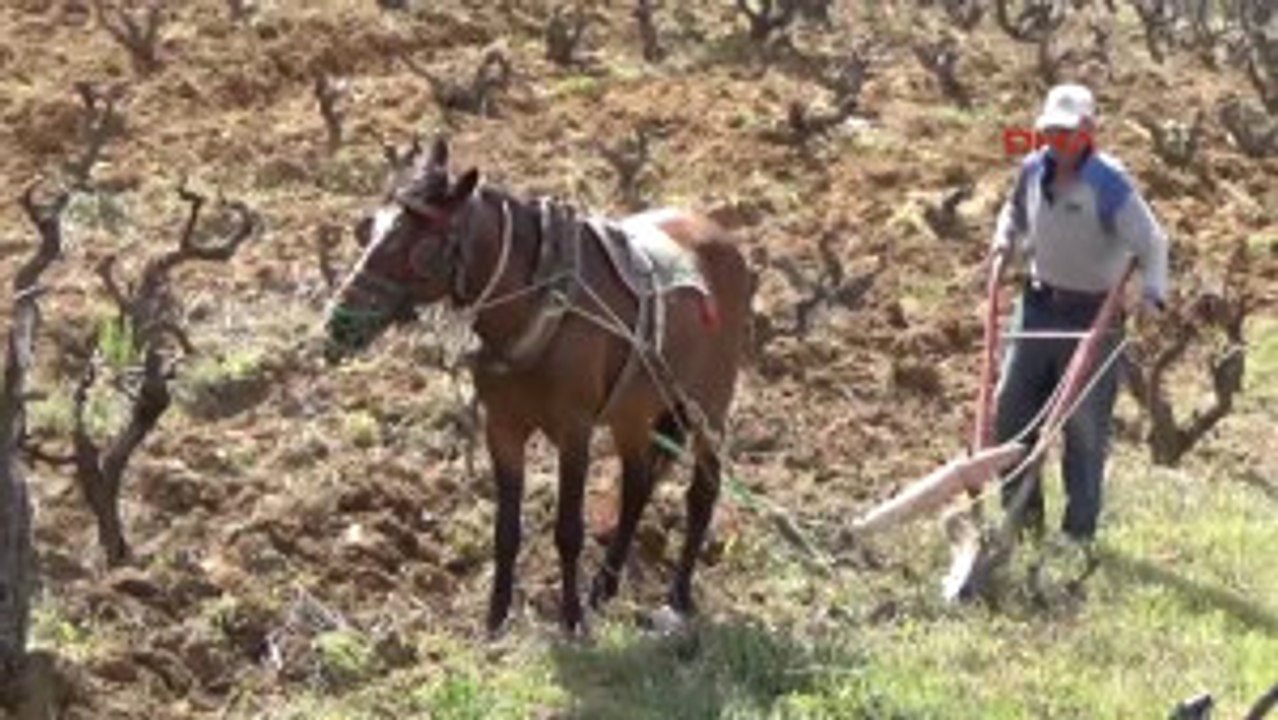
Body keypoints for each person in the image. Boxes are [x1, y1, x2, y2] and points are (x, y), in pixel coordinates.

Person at [985, 83, 1170, 571]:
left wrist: (1153, 291)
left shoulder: (1109, 183)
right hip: (1038, 306)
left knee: (1084, 430)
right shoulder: (1032, 168)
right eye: (1050, 132)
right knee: (1011, 412)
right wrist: (1004, 240)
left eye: (1067, 133)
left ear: (1088, 132)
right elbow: (1014, 211)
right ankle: (1020, 522)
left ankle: (1077, 535)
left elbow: (1152, 241)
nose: (1057, 142)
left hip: (1093, 316)